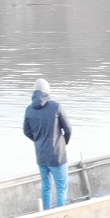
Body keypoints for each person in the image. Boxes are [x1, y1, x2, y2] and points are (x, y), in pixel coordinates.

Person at [22, 79, 72, 209]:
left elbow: (26, 131)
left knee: (46, 186)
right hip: (57, 155)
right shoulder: (56, 107)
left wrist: (38, 140)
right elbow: (68, 129)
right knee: (61, 187)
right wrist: (64, 142)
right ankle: (60, 215)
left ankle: (46, 214)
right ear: (47, 92)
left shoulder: (29, 110)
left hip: (41, 155)